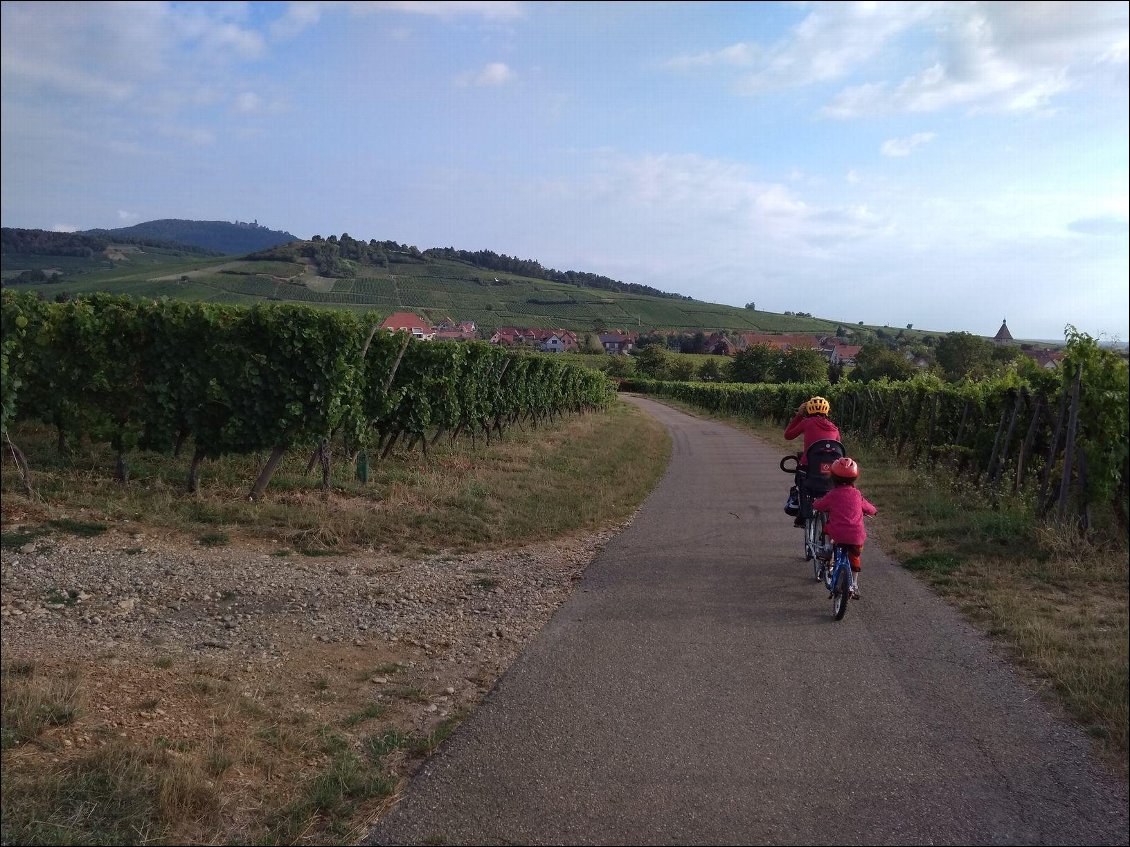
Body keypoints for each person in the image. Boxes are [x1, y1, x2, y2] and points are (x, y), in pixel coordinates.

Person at [812, 457, 876, 599]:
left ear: (833, 477)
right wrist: (874, 511)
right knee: (855, 558)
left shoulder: (833, 494)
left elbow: (820, 506)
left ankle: (828, 549)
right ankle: (854, 584)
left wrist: (815, 503)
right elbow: (869, 508)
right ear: (855, 477)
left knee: (828, 528)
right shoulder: (857, 494)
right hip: (856, 536)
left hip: (837, 535)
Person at [784, 396, 841, 526]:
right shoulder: (834, 428)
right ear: (827, 411)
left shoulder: (807, 422)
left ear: (808, 410)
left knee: (801, 481)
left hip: (810, 467)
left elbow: (788, 435)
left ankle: (802, 514)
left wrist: (798, 416)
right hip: (830, 469)